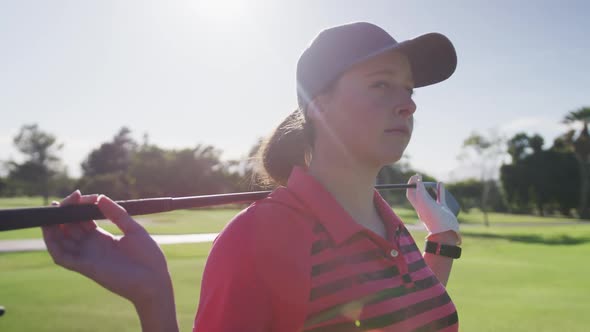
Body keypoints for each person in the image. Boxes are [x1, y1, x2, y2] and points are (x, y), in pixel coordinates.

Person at [42, 22, 461, 331]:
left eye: (409, 89)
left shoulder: (392, 227)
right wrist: (153, 295)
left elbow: (405, 314)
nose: (408, 105)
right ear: (318, 106)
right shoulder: (258, 239)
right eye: (381, 85)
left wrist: (442, 242)